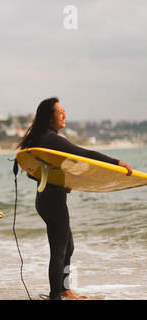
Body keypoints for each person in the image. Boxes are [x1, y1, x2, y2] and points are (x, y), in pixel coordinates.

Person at [17, 97, 132, 300]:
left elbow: (36, 171)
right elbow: (83, 154)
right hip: (52, 202)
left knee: (67, 246)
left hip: (48, 199)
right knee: (59, 249)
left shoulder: (45, 138)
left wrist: (60, 182)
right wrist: (116, 162)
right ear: (49, 117)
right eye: (60, 111)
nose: (64, 115)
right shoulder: (51, 139)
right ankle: (56, 295)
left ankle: (64, 290)